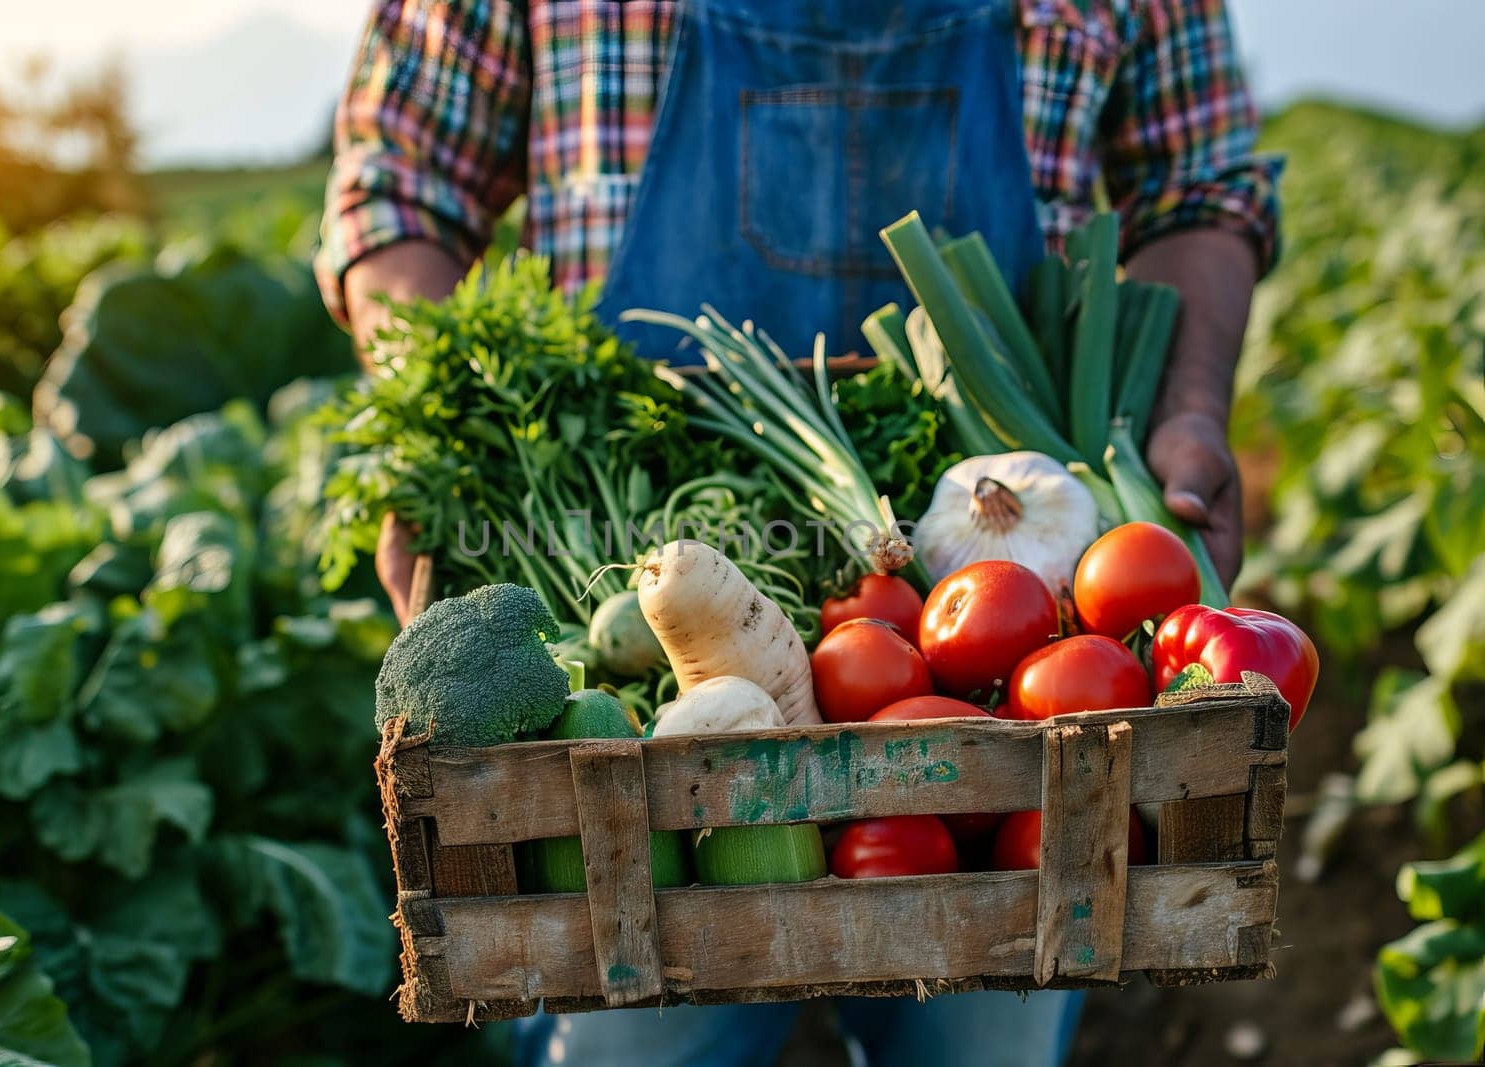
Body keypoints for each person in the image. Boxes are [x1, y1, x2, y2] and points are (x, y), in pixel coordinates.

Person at [316, 1, 1279, 1063]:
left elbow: (1199, 188)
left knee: (980, 1037)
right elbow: (398, 181)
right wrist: (439, 422)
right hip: (642, 731)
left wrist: (1187, 407)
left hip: (1000, 666)